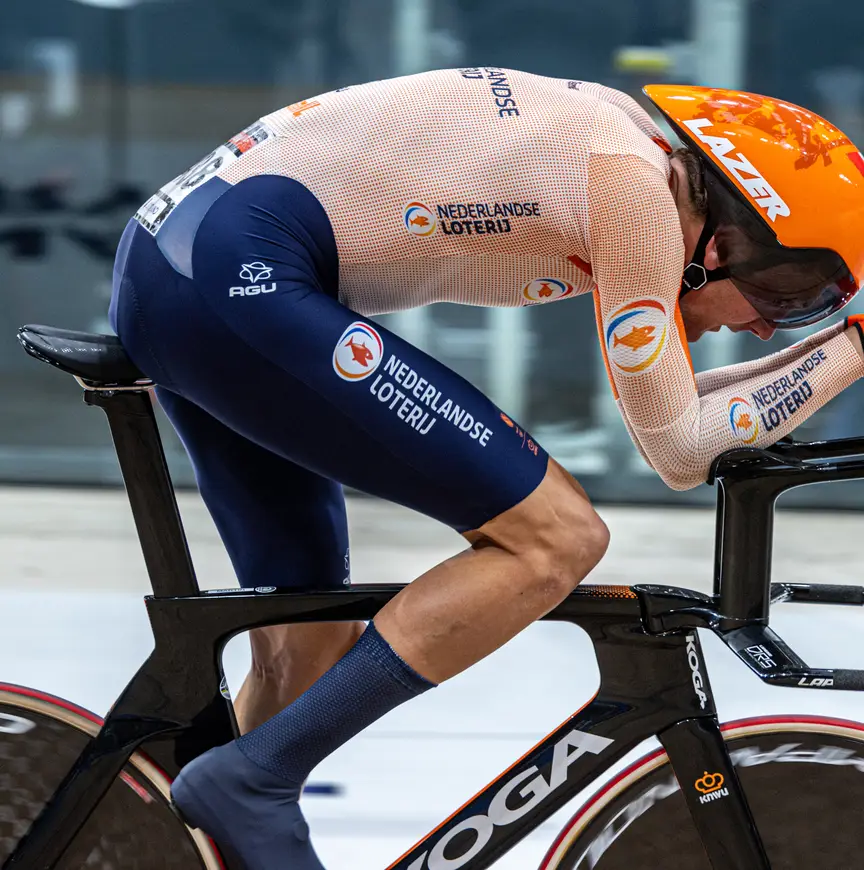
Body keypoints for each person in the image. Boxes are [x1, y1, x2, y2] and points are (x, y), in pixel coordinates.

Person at [108, 68, 864, 869]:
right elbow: (681, 450)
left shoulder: (637, 158)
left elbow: (683, 416)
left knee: (311, 647)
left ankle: (207, 832)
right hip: (233, 277)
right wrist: (850, 348)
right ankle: (251, 782)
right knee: (556, 539)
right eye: (789, 296)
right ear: (727, 242)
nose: (768, 329)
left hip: (191, 267)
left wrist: (841, 344)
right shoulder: (637, 197)